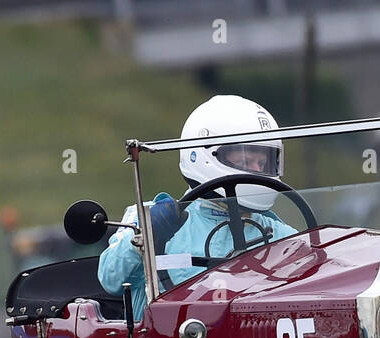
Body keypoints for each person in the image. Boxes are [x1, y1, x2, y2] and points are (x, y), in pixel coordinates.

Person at [98, 95, 297, 317]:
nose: (256, 169)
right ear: (204, 154)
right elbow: (111, 279)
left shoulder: (283, 235)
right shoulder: (148, 217)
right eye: (245, 160)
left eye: (262, 163)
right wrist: (145, 237)